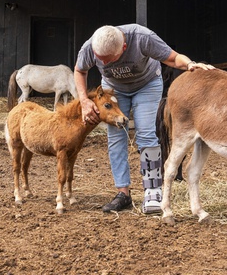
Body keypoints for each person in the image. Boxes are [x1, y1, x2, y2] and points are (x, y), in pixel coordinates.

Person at [74, 24, 214, 214]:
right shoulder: (90, 47)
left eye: (109, 59)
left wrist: (190, 64)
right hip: (114, 89)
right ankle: (122, 193)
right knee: (116, 138)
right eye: (101, 60)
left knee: (146, 133)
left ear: (123, 48)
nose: (104, 64)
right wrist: (83, 100)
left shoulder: (142, 37)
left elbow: (173, 58)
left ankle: (153, 190)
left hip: (146, 85)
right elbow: (80, 70)